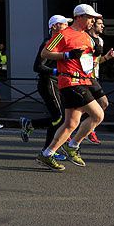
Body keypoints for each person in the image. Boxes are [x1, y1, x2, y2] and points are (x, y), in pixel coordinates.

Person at [38, 4, 106, 171]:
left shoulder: (87, 36)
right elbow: (44, 54)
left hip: (84, 81)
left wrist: (97, 53)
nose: (93, 21)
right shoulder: (63, 34)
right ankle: (73, 146)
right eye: (90, 18)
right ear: (79, 17)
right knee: (98, 115)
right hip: (70, 82)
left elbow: (89, 61)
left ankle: (47, 154)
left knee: (71, 123)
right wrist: (66, 55)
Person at [19, 15, 70, 163]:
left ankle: (31, 125)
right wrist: (56, 72)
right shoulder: (50, 42)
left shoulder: (60, 41)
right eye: (64, 24)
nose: (67, 26)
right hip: (48, 83)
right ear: (54, 27)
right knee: (59, 118)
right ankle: (47, 151)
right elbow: (37, 66)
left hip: (57, 83)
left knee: (60, 118)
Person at [86, 17, 114, 145]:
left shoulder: (101, 40)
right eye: (100, 24)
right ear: (92, 25)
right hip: (85, 77)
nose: (102, 26)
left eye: (103, 24)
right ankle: (87, 130)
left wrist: (106, 58)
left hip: (93, 77)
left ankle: (87, 130)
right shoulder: (85, 38)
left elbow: (96, 62)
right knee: (103, 102)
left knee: (95, 106)